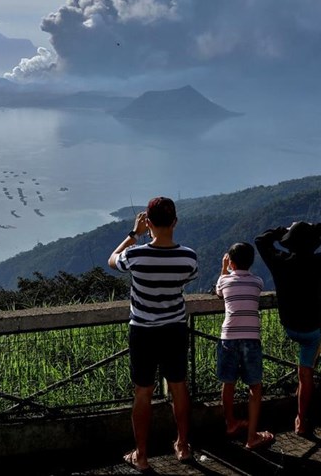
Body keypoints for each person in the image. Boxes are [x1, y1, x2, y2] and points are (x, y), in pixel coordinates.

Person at [108, 197, 198, 472]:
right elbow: (188, 278)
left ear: (148, 222)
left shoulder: (136, 255)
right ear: (175, 222)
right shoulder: (188, 257)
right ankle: (182, 446)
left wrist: (133, 234)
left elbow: (112, 261)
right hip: (174, 328)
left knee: (143, 392)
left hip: (143, 330)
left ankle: (142, 454)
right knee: (179, 386)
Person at [255, 221, 321, 435]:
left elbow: (260, 241)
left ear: (289, 244)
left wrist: (282, 229)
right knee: (306, 373)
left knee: (303, 368)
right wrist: (318, 227)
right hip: (311, 329)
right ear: (313, 243)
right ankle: (302, 420)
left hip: (289, 326)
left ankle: (300, 389)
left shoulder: (280, 262)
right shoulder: (319, 262)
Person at [214, 242, 275, 449]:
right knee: (255, 387)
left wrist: (224, 270)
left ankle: (230, 423)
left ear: (230, 262)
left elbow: (219, 293)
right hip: (251, 338)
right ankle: (252, 436)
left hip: (228, 337)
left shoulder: (224, 280)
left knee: (228, 383)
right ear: (251, 262)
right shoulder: (257, 281)